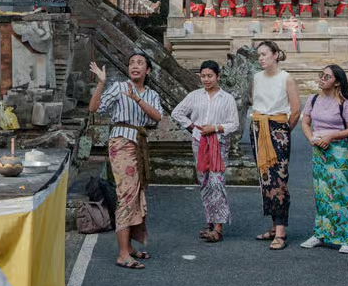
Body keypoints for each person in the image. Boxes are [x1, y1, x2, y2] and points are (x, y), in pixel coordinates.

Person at [88, 51, 163, 270]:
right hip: (121, 142)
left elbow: (157, 117)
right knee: (126, 195)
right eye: (131, 63)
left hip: (138, 143)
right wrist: (101, 83)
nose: (135, 66)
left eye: (140, 63)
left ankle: (128, 247)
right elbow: (94, 108)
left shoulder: (151, 94)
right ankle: (122, 254)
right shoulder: (119, 87)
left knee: (135, 194)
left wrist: (137, 99)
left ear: (148, 70)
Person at [171, 60, 240, 242]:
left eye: (210, 76)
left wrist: (215, 128)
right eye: (203, 76)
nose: (206, 79)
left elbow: (234, 124)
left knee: (217, 182)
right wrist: (192, 127)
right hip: (199, 142)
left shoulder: (227, 98)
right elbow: (177, 113)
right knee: (204, 181)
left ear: (218, 76)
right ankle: (210, 221)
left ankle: (218, 227)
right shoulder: (194, 96)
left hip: (219, 143)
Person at [299, 64, 348, 253]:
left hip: (338, 151)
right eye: (321, 75)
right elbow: (305, 123)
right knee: (322, 193)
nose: (322, 79)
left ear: (337, 82)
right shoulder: (313, 99)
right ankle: (321, 233)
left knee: (342, 193)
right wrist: (311, 138)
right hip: (319, 150)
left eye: (327, 77)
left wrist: (331, 136)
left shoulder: (344, 103)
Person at [250, 40, 301, 251]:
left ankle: (280, 231)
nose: (261, 58)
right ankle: (273, 226)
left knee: (278, 179)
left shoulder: (286, 78)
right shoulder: (256, 77)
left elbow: (296, 110)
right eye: (259, 55)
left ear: (276, 55)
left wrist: (283, 130)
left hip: (278, 128)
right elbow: (254, 101)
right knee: (265, 178)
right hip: (258, 126)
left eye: (264, 54)